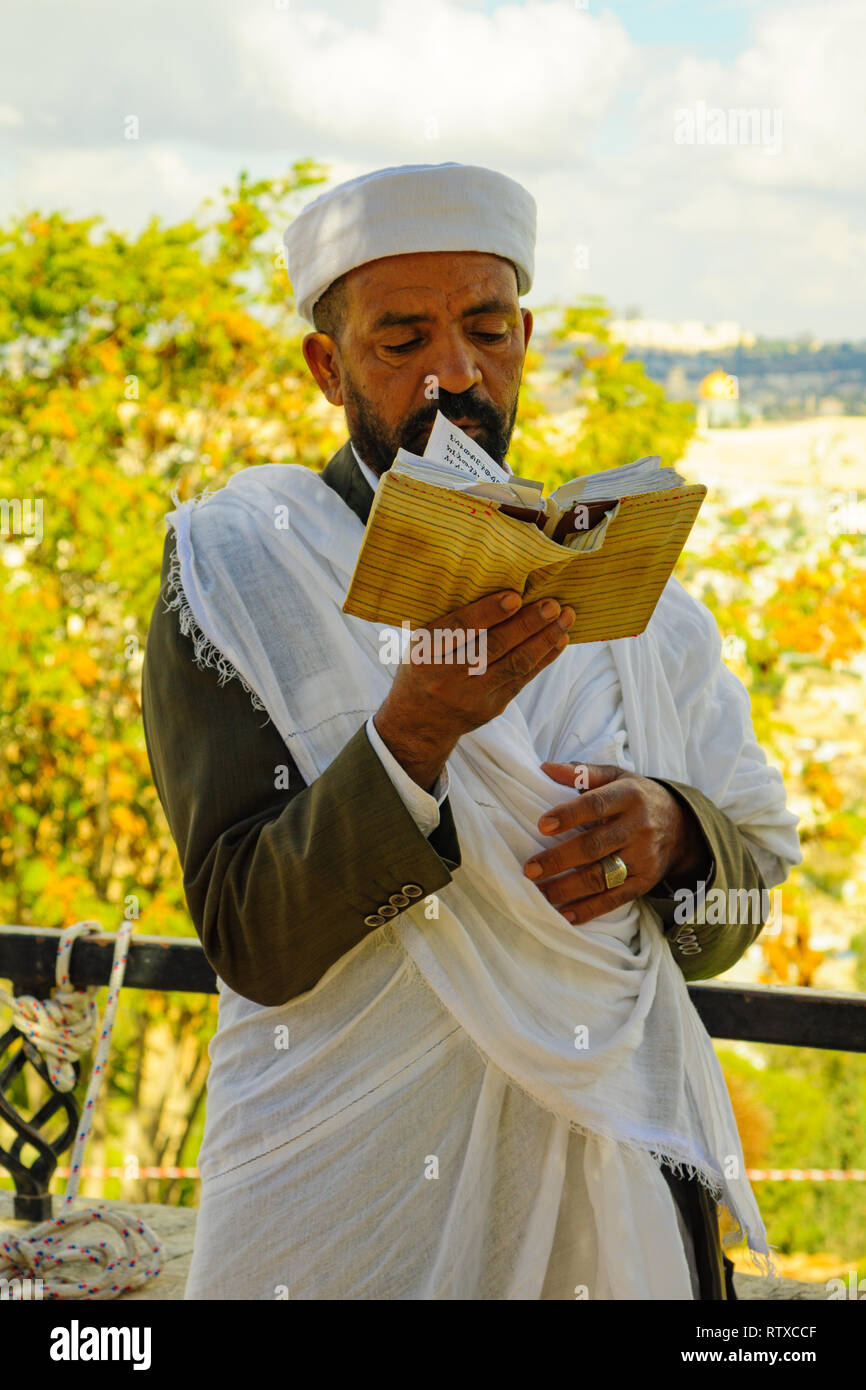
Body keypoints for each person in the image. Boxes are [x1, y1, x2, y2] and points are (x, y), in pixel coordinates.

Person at [142, 162, 802, 1300]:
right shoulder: (243, 571)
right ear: (325, 364)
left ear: (524, 338)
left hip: (616, 1204)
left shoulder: (631, 590)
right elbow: (252, 933)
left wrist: (673, 830)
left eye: (486, 329)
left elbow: (740, 889)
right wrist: (408, 741)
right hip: (342, 1207)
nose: (455, 372)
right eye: (400, 340)